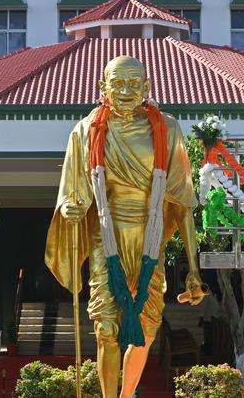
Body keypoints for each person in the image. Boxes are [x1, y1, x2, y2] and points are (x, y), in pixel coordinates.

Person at [46, 55, 206, 398]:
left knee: (147, 328)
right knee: (106, 328)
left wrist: (194, 269)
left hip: (150, 238)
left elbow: (183, 203)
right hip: (106, 236)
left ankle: (126, 394)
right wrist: (71, 207)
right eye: (117, 83)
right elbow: (73, 193)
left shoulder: (168, 130)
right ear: (103, 88)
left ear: (147, 87)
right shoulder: (86, 130)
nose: (125, 90)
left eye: (134, 83)